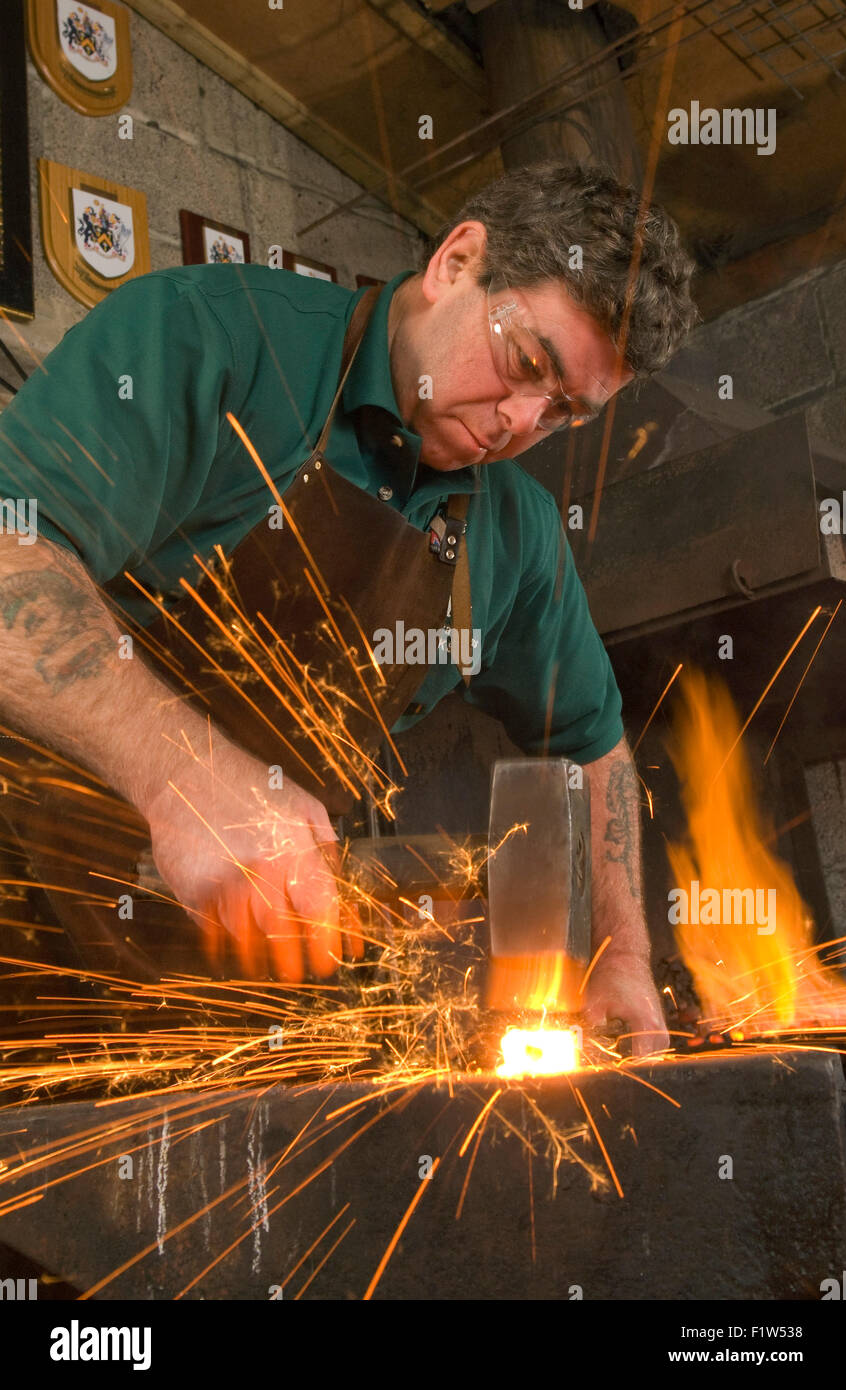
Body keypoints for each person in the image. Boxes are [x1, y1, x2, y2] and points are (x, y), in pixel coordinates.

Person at [0, 162, 697, 1051]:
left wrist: (621, 954)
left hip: (248, 985)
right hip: (25, 927)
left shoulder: (517, 536)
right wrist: (185, 773)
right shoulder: (208, 338)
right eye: (525, 362)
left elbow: (591, 747)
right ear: (457, 260)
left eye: (562, 412)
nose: (519, 423)